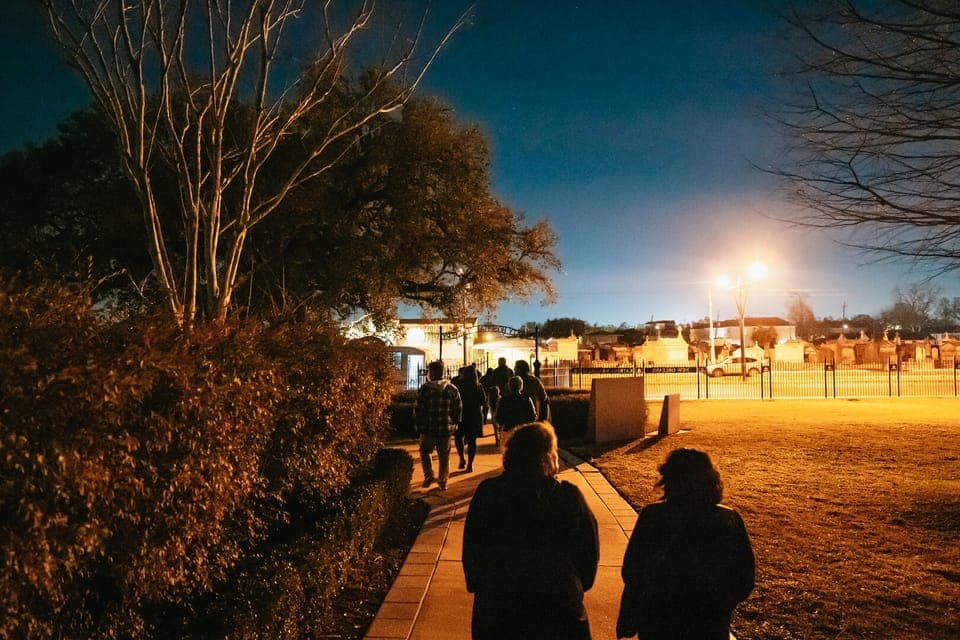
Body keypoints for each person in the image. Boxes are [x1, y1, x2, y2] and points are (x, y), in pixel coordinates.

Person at [462, 422, 599, 640]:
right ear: (548, 456)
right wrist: (576, 584)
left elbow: (473, 547)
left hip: (499, 603)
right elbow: (588, 551)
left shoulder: (489, 493)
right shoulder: (567, 497)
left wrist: (479, 583)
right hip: (556, 605)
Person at [616, 448, 755, 640]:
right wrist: (719, 603)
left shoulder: (653, 517)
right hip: (709, 623)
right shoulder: (728, 520)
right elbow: (744, 577)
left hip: (659, 620)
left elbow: (632, 570)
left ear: (668, 478)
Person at [414, 360, 462, 490]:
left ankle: (429, 475)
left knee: (425, 451)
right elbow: (457, 408)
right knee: (444, 456)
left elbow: (419, 408)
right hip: (445, 428)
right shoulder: (452, 389)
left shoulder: (426, 388)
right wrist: (455, 422)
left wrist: (418, 424)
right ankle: (443, 480)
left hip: (428, 428)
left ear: (432, 372)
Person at [453, 364, 488, 473]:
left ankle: (461, 457)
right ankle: (470, 464)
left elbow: (454, 401)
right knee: (472, 441)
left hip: (462, 415)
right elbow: (483, 401)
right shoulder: (478, 386)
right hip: (474, 415)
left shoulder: (459, 385)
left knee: (459, 437)